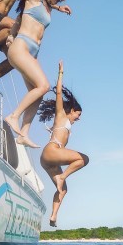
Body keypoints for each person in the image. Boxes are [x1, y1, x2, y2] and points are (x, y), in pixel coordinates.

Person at [0, 0, 71, 147]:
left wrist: (60, 8)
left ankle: (23, 134)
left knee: (38, 95)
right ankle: (13, 116)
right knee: (44, 86)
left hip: (33, 53)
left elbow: (46, 3)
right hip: (21, 47)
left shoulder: (48, 5)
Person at [38, 60, 87, 227]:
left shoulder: (68, 124)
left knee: (63, 189)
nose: (78, 118)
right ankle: (62, 177)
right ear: (71, 111)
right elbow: (58, 93)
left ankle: (53, 216)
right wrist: (61, 73)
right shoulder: (61, 116)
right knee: (83, 159)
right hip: (52, 151)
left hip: (48, 160)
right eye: (77, 115)